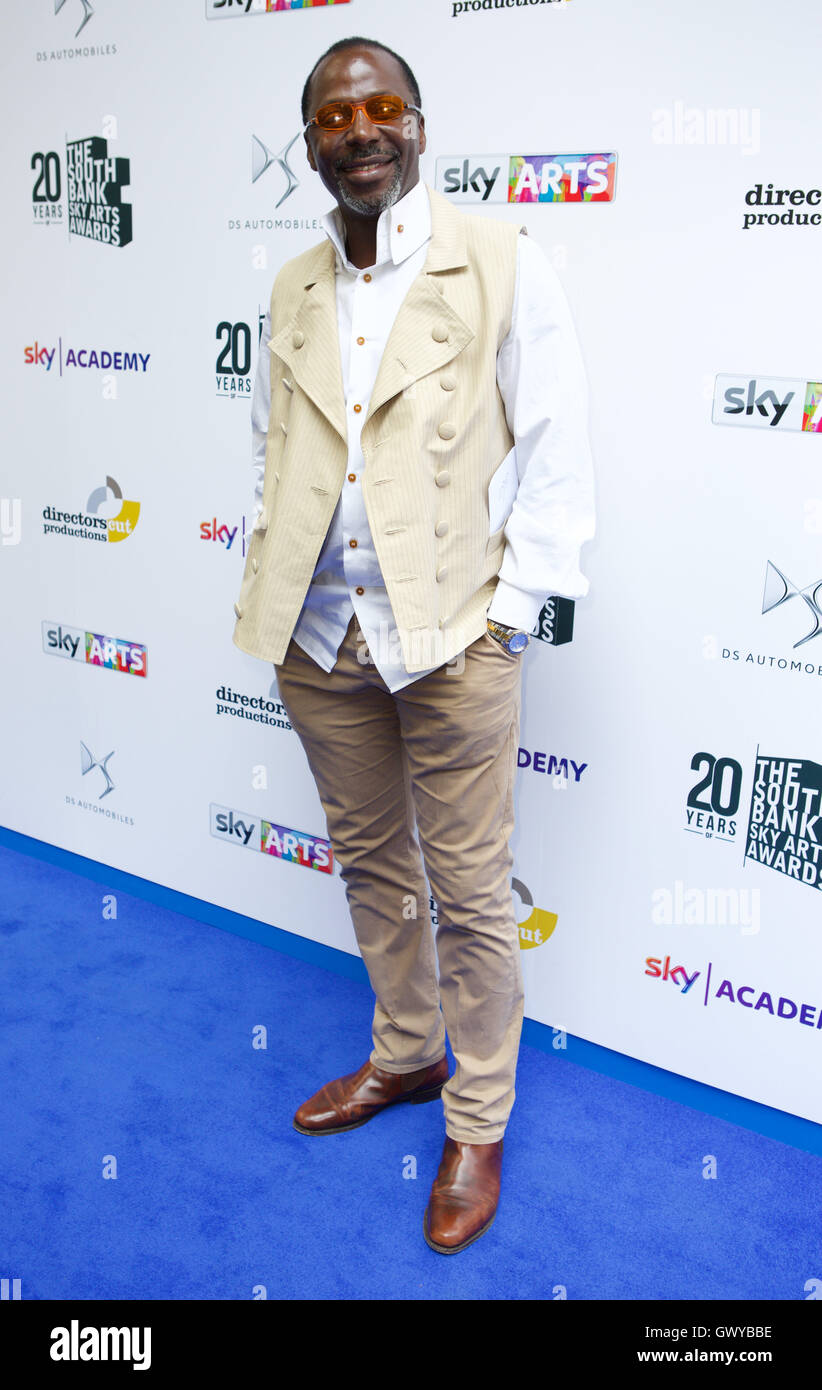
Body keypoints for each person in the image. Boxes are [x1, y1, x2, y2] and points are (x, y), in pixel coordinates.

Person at [232, 35, 595, 1254]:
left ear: (422, 125)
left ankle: (479, 1115)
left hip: (453, 637)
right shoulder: (290, 286)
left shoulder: (498, 259)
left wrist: (512, 619)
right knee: (373, 866)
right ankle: (404, 1055)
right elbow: (274, 448)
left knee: (474, 892)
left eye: (383, 107)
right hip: (322, 636)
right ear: (313, 145)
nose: (362, 132)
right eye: (336, 119)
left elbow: (555, 448)